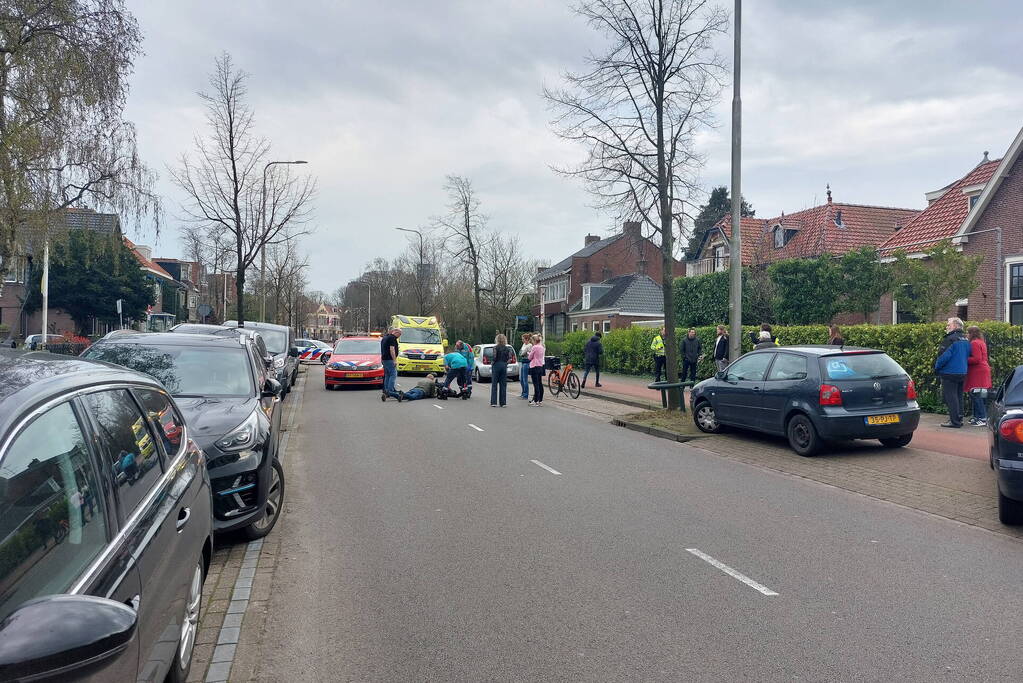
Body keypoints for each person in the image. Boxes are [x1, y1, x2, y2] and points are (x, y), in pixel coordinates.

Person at [935, 317, 971, 428]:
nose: (947, 327)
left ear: (955, 326)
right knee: (959, 396)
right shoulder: (965, 339)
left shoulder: (949, 339)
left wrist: (936, 368)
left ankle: (954, 421)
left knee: (951, 397)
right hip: (962, 372)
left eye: (948, 325)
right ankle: (959, 419)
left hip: (949, 372)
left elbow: (943, 357)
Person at [965, 325, 992, 426]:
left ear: (972, 333)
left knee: (976, 394)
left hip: (978, 372)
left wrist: (964, 359)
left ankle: (981, 418)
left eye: (967, 333)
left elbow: (976, 359)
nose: (966, 335)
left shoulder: (974, 343)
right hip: (983, 370)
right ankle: (977, 417)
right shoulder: (981, 342)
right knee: (980, 394)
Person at [490, 334, 515, 407]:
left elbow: (494, 357)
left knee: (494, 384)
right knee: (503, 385)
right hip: (504, 366)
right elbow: (510, 358)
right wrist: (505, 364)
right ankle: (503, 403)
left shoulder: (495, 347)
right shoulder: (507, 348)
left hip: (496, 365)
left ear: (497, 340)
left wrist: (492, 363)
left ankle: (494, 402)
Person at [380, 328, 402, 401]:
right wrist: (394, 360)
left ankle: (386, 390)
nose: (400, 336)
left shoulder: (385, 338)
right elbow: (392, 349)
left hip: (384, 359)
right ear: (396, 332)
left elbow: (382, 349)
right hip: (389, 359)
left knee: (387, 375)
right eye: (400, 334)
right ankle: (390, 391)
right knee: (393, 374)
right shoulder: (392, 338)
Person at [528, 334, 546, 406]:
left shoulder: (534, 347)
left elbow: (530, 357)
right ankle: (539, 400)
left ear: (534, 340)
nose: (532, 342)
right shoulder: (542, 347)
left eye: (532, 340)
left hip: (534, 365)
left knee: (536, 384)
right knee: (539, 383)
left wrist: (528, 354)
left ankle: (536, 400)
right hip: (540, 366)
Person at [518, 333, 532, 400]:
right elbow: (520, 353)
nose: (522, 340)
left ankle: (526, 394)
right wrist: (523, 352)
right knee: (521, 379)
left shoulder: (529, 345)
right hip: (523, 362)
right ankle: (523, 392)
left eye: (523, 339)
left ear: (527, 339)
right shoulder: (524, 345)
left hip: (526, 362)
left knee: (524, 379)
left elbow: (523, 353)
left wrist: (523, 352)